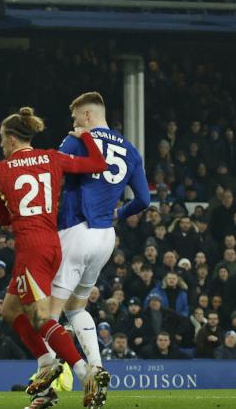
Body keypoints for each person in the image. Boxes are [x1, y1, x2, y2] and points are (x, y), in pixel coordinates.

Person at [0, 107, 107, 408]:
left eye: (2, 138)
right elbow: (97, 163)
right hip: (52, 244)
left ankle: (85, 374)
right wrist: (85, 137)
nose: (1, 144)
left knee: (41, 317)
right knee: (10, 310)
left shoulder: (2, 169)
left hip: (30, 248)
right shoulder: (53, 158)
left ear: (12, 139)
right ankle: (46, 367)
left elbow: (2, 218)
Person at [45, 91, 149, 408]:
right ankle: (98, 368)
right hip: (106, 236)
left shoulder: (78, 139)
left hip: (76, 229)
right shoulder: (130, 150)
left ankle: (49, 384)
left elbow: (54, 175)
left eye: (76, 118)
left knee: (47, 314)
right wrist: (119, 213)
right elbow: (144, 200)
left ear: (88, 116)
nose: (73, 124)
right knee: (76, 308)